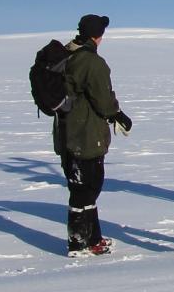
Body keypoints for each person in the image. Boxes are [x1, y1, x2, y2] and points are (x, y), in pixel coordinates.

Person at [53, 13, 132, 256]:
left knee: (84, 186)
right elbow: (103, 99)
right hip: (85, 134)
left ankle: (92, 238)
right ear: (98, 36)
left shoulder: (67, 53)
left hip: (67, 132)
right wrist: (118, 115)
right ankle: (79, 242)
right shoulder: (92, 62)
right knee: (85, 187)